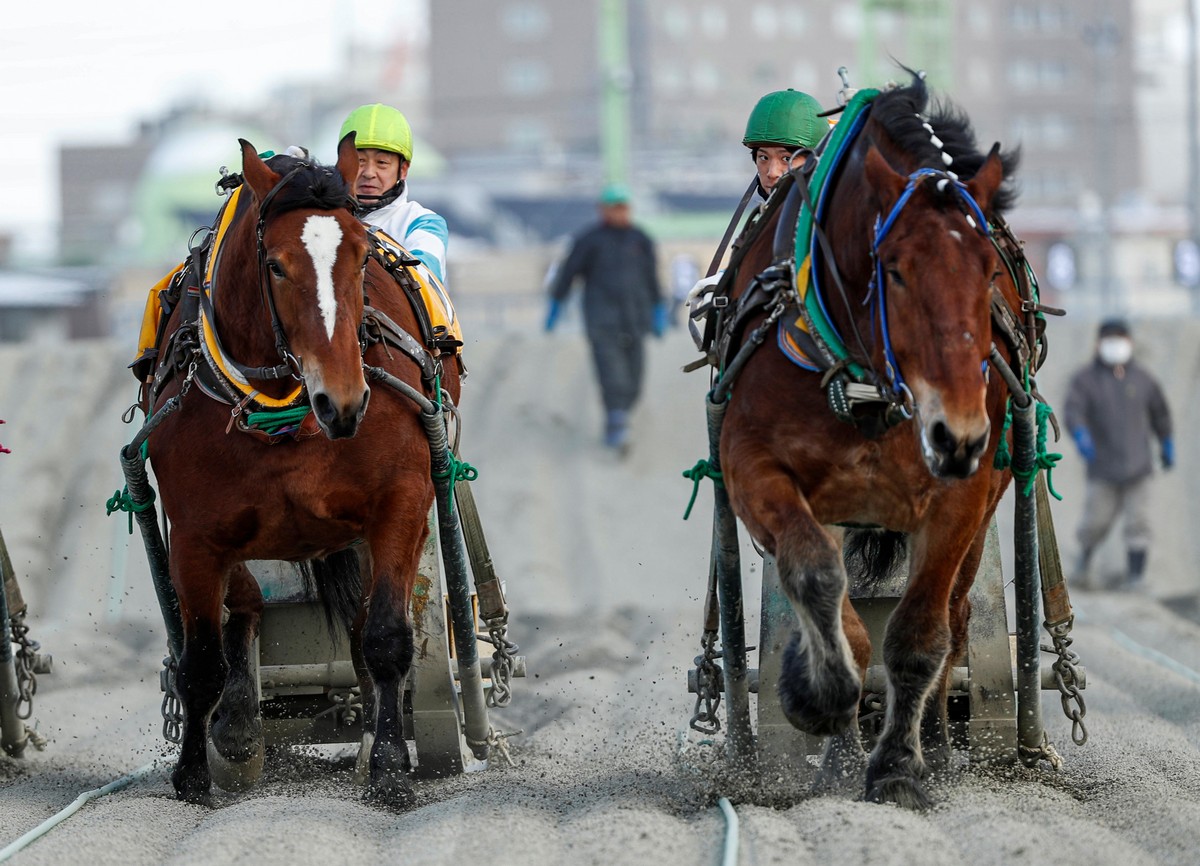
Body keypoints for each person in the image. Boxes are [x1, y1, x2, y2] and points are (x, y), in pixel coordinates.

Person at [687, 88, 827, 349]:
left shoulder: (828, 217)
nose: (772, 172)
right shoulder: (765, 217)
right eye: (763, 157)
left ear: (815, 160)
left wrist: (733, 285)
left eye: (787, 158)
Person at [544, 184, 665, 451]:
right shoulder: (589, 240)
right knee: (612, 373)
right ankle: (616, 421)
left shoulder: (640, 239)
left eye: (623, 207)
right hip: (601, 317)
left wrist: (659, 309)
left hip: (636, 316)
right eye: (613, 207)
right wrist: (556, 304)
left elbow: (652, 277)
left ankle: (622, 412)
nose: (618, 212)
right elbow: (568, 273)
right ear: (602, 210)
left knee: (635, 377)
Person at [1064, 318, 1174, 589]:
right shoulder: (1086, 380)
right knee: (1095, 522)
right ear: (1098, 344)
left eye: (1120, 339)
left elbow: (1160, 412)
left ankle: (1136, 576)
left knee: (1139, 523)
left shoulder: (1143, 379)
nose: (1115, 346)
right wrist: (1080, 434)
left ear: (1130, 343)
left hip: (1138, 466)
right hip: (1102, 466)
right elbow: (1073, 410)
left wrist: (1166, 442)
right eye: (1109, 340)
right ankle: (1083, 565)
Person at [339, 103, 449, 284]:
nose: (369, 172)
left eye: (382, 162)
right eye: (359, 161)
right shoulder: (322, 218)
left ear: (403, 169)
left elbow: (422, 278)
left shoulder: (423, 222)